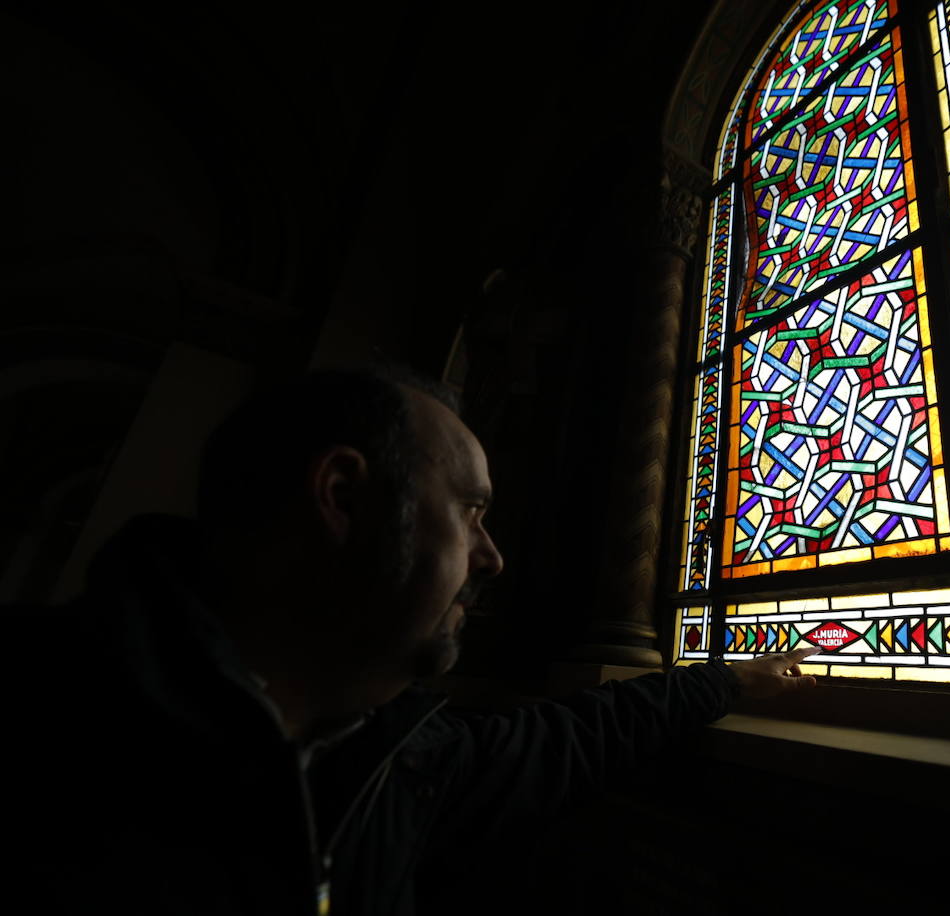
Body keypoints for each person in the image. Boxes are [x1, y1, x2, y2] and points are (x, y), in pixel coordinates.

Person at [4, 367, 817, 916]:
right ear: (344, 497)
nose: (493, 558)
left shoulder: (396, 759)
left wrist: (728, 684)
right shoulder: (48, 740)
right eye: (472, 510)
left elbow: (565, 739)